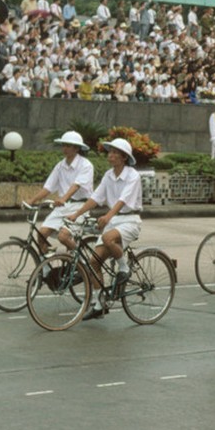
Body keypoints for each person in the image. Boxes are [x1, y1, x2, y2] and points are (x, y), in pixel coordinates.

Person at [62, 137, 142, 321]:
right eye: (110, 152)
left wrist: (107, 217)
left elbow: (123, 200)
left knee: (108, 238)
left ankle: (124, 268)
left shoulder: (132, 175)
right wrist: (76, 214)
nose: (110, 155)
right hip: (114, 221)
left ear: (124, 157)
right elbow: (96, 198)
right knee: (94, 262)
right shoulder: (108, 175)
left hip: (130, 220)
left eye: (114, 153)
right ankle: (99, 304)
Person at [23, 131, 95, 257]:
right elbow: (48, 188)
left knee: (63, 237)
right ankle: (45, 271)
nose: (64, 149)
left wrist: (63, 198)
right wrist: (32, 200)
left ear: (76, 148)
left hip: (79, 207)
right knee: (41, 234)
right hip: (62, 208)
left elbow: (76, 185)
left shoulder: (86, 165)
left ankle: (81, 261)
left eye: (68, 145)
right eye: (63, 145)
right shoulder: (60, 165)